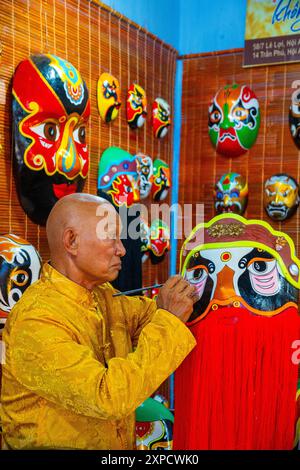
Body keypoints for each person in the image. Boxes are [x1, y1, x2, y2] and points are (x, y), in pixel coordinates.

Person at [0, 193, 197, 450]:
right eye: (111, 237)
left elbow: (145, 315)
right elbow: (107, 397)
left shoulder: (101, 293)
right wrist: (169, 320)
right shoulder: (37, 319)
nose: (122, 249)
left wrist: (181, 302)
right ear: (72, 241)